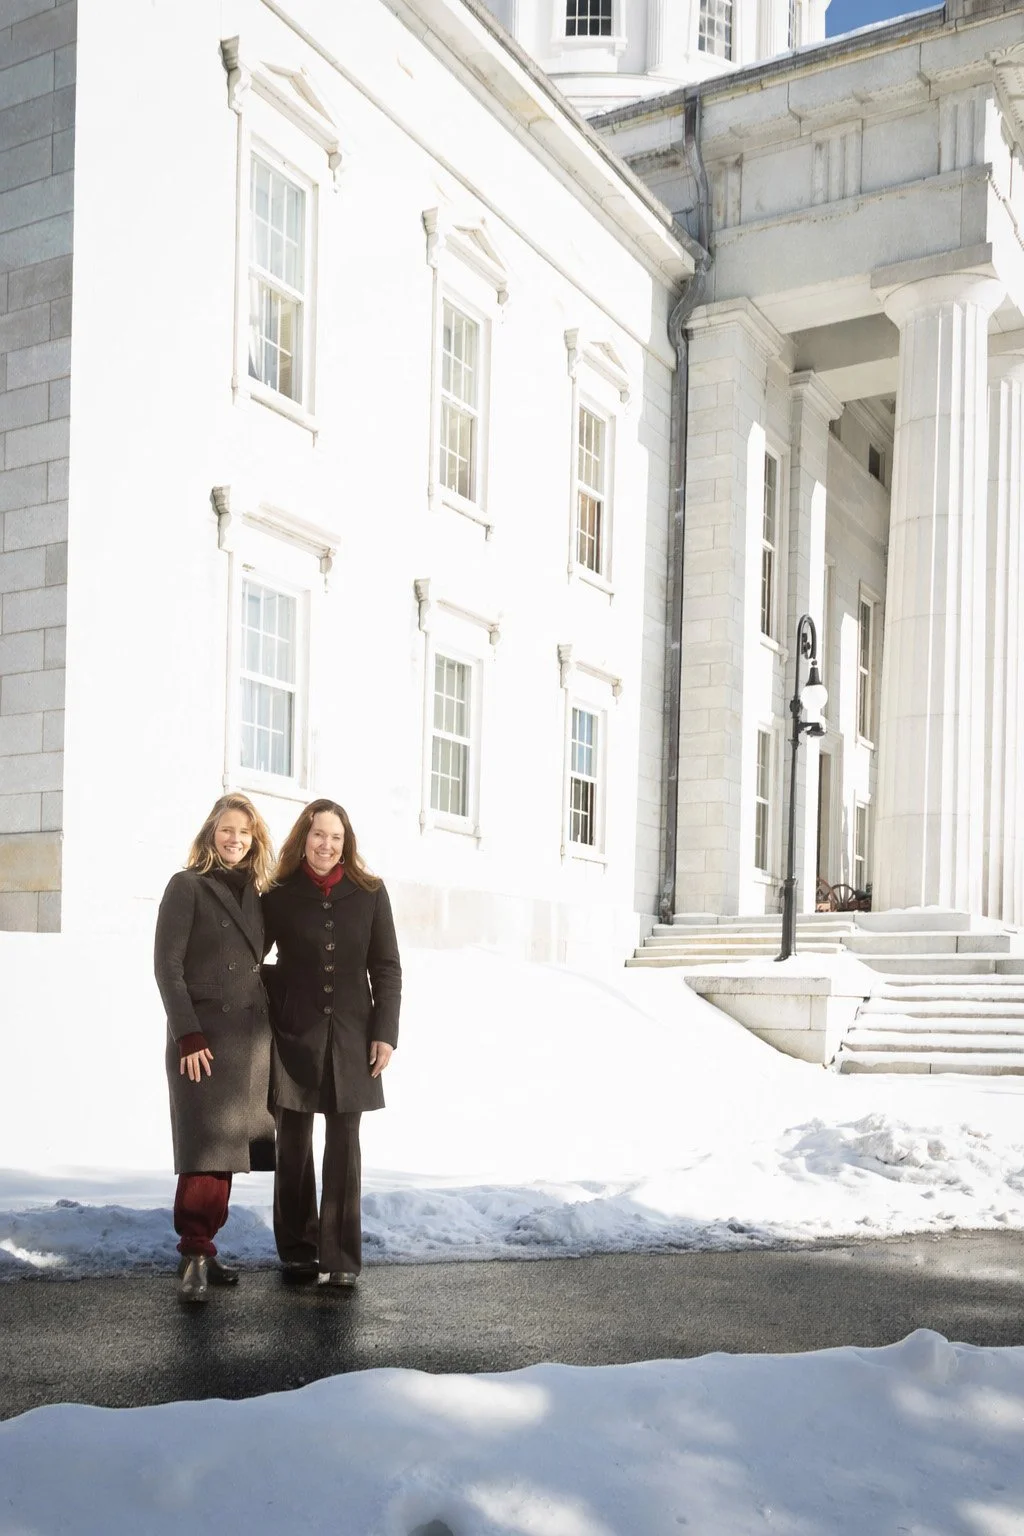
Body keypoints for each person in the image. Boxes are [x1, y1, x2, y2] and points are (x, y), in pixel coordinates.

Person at [262, 798, 401, 1288]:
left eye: (336, 837)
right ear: (304, 837)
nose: (326, 845)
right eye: (319, 834)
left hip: (352, 1038)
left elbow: (385, 967)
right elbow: (250, 958)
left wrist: (386, 1032)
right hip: (294, 1037)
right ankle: (299, 1248)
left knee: (345, 1146)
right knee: (293, 1146)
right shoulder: (278, 894)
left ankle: (340, 1254)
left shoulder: (370, 892)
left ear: (347, 843)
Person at [154, 793, 276, 1303]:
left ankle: (206, 1248)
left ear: (254, 840)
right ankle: (193, 1255)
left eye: (244, 832)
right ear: (210, 833)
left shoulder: (257, 894)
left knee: (227, 1151)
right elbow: (167, 966)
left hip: (248, 1041)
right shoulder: (187, 886)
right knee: (203, 1151)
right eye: (227, 829)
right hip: (201, 1042)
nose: (235, 839)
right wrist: (188, 1032)